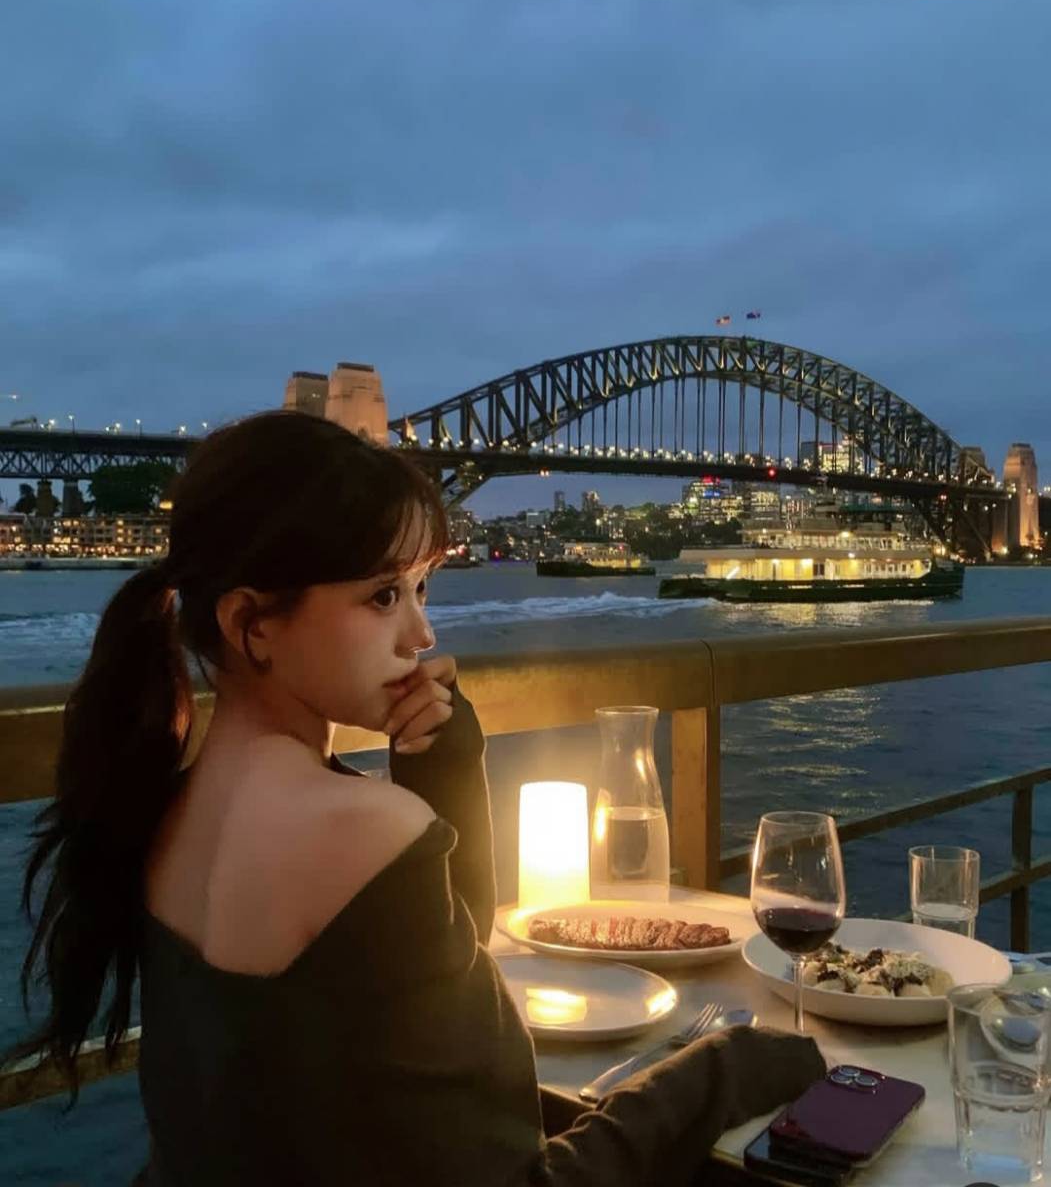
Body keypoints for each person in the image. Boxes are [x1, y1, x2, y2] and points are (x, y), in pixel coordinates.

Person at [7, 410, 824, 1185]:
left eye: (421, 589)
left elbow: (429, 976)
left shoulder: (163, 807)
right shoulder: (362, 829)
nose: (422, 637)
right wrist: (721, 1071)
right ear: (252, 624)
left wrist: (440, 764)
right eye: (381, 597)